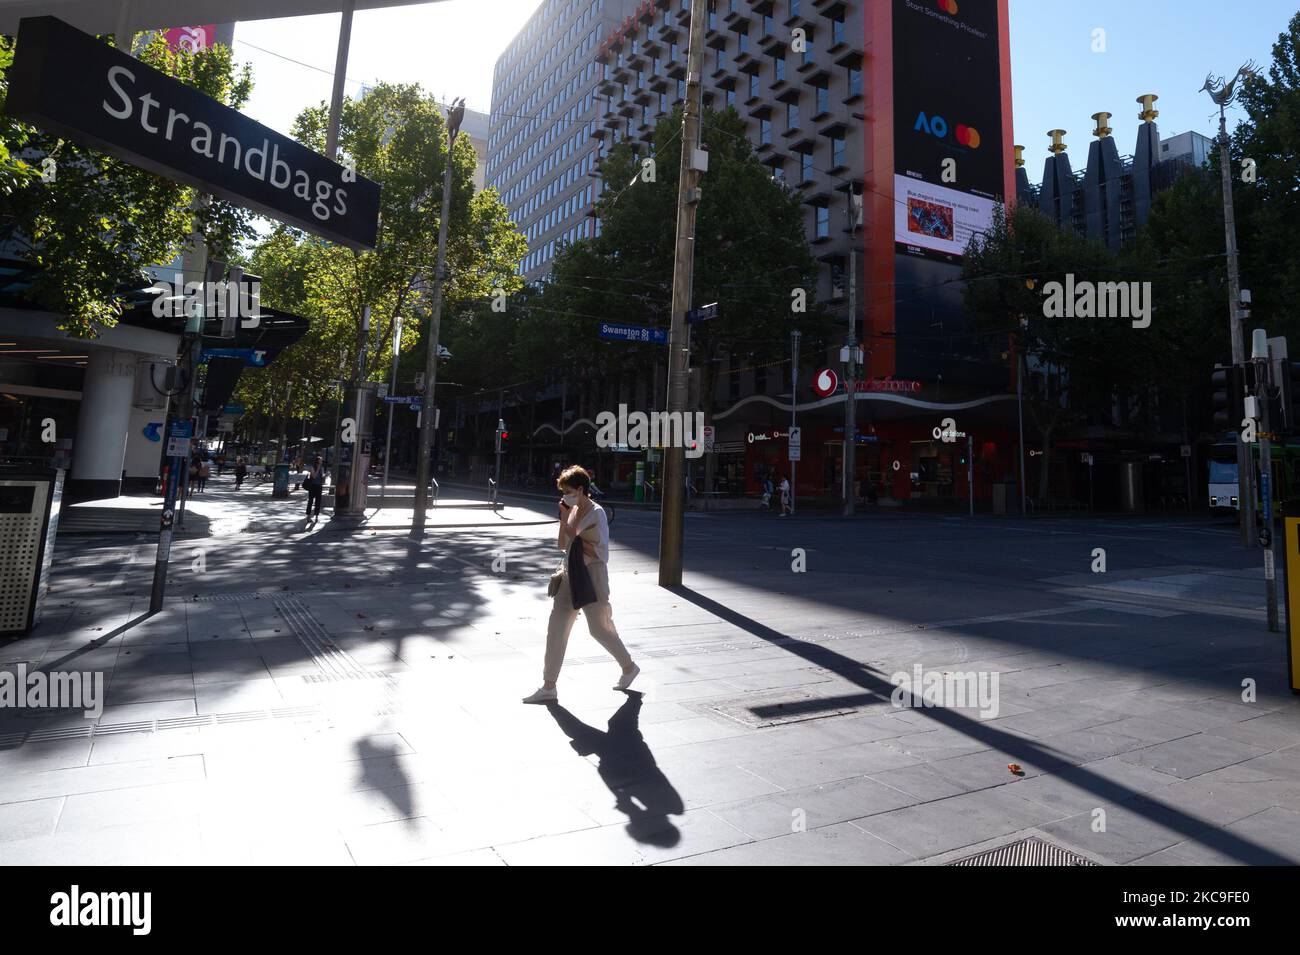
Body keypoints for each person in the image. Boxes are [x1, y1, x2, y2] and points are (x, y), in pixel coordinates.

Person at [523, 465, 639, 704]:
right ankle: (549, 686)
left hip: (592, 576)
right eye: (563, 491)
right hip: (569, 575)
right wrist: (565, 520)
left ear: (581, 489)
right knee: (556, 629)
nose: (564, 495)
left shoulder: (597, 513)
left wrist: (569, 525)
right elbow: (563, 545)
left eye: (568, 490)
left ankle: (629, 667)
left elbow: (596, 550)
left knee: (599, 629)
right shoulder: (573, 510)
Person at [304, 454, 325, 518]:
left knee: (318, 501)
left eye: (322, 461)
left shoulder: (322, 468)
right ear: (317, 461)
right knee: (310, 501)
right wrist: (318, 469)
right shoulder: (312, 468)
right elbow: (314, 476)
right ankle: (308, 515)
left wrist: (324, 476)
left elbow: (321, 478)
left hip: (319, 486)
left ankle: (316, 515)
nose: (321, 462)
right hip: (313, 486)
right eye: (320, 460)